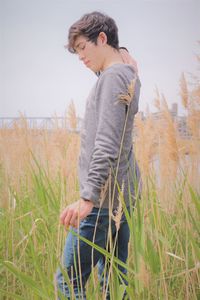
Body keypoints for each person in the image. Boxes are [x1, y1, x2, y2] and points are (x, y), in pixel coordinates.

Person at [56, 11, 141, 299]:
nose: (80, 56)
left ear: (101, 38)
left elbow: (106, 143)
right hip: (121, 198)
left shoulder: (113, 79)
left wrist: (87, 197)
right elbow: (111, 63)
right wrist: (123, 52)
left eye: (82, 48)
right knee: (113, 283)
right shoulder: (124, 74)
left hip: (102, 202)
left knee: (69, 281)